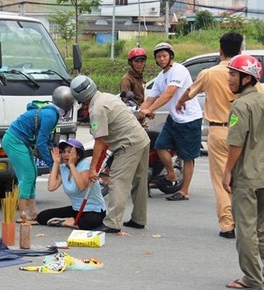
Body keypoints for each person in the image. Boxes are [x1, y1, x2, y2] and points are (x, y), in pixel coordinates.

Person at [176, 33, 243, 238]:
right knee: (242, 178)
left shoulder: (209, 73)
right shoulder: (244, 73)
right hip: (243, 131)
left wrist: (181, 102)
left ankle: (227, 225)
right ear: (240, 51)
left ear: (220, 50)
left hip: (219, 131)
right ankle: (245, 222)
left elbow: (189, 92)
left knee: (221, 179)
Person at [70, 75, 150, 233]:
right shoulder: (106, 96)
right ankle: (139, 219)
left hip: (127, 144)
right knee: (140, 181)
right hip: (141, 138)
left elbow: (100, 142)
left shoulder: (97, 110)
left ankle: (112, 222)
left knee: (117, 182)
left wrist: (93, 168)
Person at [139, 42, 203, 201]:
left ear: (170, 56)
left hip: (189, 119)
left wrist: (151, 109)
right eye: (158, 57)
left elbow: (168, 94)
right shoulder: (161, 77)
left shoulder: (178, 70)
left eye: (164, 56)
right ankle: (172, 173)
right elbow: (151, 97)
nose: (161, 59)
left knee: (187, 156)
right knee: (160, 146)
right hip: (174, 118)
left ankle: (184, 191)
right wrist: (141, 112)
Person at [2, 86, 74, 222]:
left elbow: (44, 140)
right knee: (27, 176)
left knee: (33, 173)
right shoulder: (51, 115)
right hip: (14, 141)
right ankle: (23, 215)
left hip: (20, 141)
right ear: (67, 105)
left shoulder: (51, 112)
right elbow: (41, 143)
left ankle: (33, 211)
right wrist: (53, 165)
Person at [222, 54, 264, 290]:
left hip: (247, 176)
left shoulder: (240, 105)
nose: (229, 79)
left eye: (233, 75)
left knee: (246, 229)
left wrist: (227, 171)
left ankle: (252, 278)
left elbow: (236, 143)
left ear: (247, 79)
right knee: (262, 228)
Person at [36, 139, 106, 230]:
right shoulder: (64, 169)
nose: (65, 154)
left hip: (94, 210)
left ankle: (69, 222)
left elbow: (81, 186)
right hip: (76, 209)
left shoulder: (85, 165)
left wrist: (72, 165)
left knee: (86, 223)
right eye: (63, 152)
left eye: (70, 152)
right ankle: (70, 221)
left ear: (78, 155)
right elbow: (51, 187)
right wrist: (56, 163)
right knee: (42, 217)